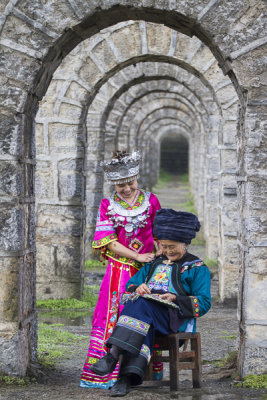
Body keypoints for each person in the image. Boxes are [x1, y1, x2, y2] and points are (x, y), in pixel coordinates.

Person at [90, 208, 211, 397]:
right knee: (143, 313)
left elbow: (204, 302)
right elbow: (131, 285)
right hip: (148, 319)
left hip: (173, 320)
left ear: (185, 243)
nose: (167, 251)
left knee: (142, 306)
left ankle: (113, 354)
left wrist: (175, 298)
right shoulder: (154, 263)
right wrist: (138, 288)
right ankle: (126, 379)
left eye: (172, 247)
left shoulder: (197, 268)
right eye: (164, 246)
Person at [80, 150, 161, 389]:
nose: (126, 189)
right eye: (120, 185)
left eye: (130, 183)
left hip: (147, 269)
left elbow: (159, 232)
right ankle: (107, 372)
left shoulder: (151, 200)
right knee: (113, 315)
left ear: (137, 178)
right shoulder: (107, 205)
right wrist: (137, 255)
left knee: (140, 314)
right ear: (113, 184)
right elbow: (108, 241)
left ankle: (133, 371)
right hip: (120, 271)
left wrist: (157, 256)